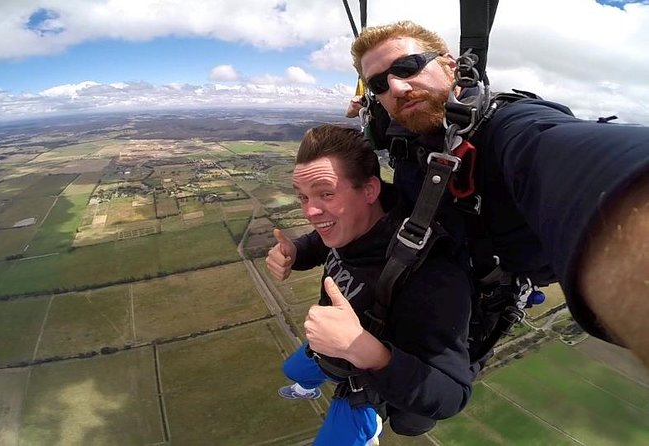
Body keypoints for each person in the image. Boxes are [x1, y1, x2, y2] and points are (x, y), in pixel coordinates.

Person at [346, 21, 649, 366]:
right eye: (380, 83)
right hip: (422, 286)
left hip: (471, 312)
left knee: (412, 416)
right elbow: (387, 124)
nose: (397, 87)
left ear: (450, 64)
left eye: (408, 66)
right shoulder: (407, 122)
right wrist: (367, 111)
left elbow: (567, 155)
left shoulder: (507, 128)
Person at [266, 124, 474, 444]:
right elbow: (328, 241)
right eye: (303, 197)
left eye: (325, 194)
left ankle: (369, 426)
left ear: (369, 190)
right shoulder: (356, 221)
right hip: (334, 341)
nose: (310, 211)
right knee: (293, 371)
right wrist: (297, 252)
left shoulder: (430, 276)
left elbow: (451, 395)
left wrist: (364, 350)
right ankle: (306, 386)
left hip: (367, 378)